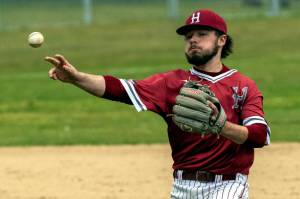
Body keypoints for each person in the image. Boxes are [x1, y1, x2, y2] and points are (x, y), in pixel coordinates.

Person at [45, 9, 270, 199]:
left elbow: (260, 136)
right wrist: (77, 78)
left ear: (222, 40)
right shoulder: (170, 83)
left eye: (202, 34)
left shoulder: (243, 85)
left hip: (228, 186)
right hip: (182, 187)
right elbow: (119, 89)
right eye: (188, 36)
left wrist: (222, 127)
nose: (193, 40)